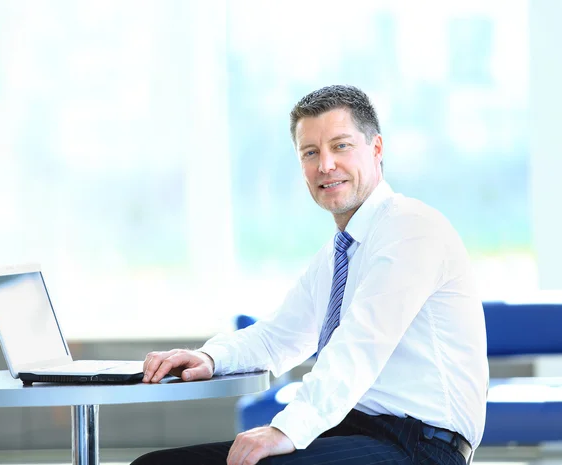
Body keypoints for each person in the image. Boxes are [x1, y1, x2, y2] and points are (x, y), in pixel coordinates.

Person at [132, 85, 488, 465]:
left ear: (377, 149)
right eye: (311, 153)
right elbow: (278, 337)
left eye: (341, 146)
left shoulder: (412, 229)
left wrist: (287, 429)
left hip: (419, 445)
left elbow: (360, 346)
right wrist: (209, 357)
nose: (326, 165)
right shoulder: (341, 253)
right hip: (354, 431)